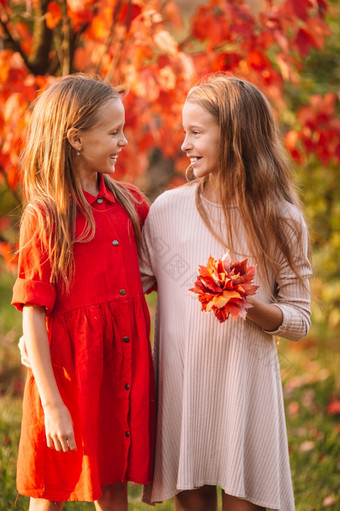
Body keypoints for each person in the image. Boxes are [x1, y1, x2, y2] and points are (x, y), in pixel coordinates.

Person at [140, 74, 312, 511]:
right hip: (182, 389)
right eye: (184, 132)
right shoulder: (167, 210)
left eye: (196, 132)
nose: (184, 145)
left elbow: (299, 320)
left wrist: (254, 307)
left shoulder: (280, 219)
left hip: (244, 389)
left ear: (235, 137)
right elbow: (127, 289)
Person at [11, 74, 155, 511]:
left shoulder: (129, 202)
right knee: (52, 487)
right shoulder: (47, 215)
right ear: (76, 138)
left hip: (119, 367)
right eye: (113, 132)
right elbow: (33, 311)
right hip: (68, 373)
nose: (124, 141)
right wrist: (53, 405)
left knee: (112, 481)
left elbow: (149, 271)